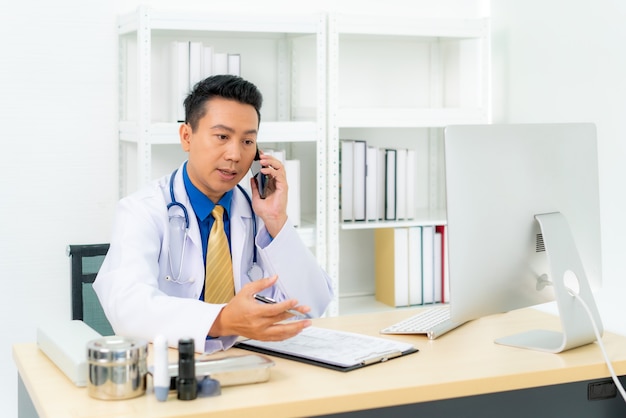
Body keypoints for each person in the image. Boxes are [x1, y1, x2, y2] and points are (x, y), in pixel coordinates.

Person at [94, 74, 333, 353]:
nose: (234, 154)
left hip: (247, 362)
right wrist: (223, 320)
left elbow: (313, 303)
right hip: (173, 367)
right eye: (222, 136)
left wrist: (276, 219)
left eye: (247, 142)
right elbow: (128, 309)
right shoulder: (142, 210)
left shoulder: (257, 213)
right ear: (187, 136)